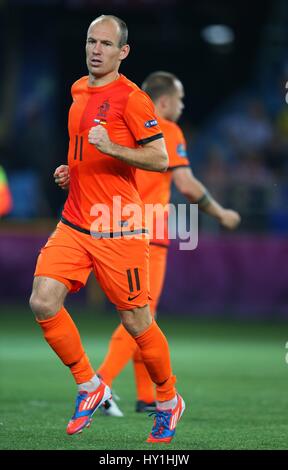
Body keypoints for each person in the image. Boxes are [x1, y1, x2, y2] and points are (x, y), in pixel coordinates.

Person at [30, 16, 185, 444]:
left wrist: (111, 148)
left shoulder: (133, 100)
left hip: (119, 228)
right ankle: (89, 384)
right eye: (90, 41)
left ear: (123, 52)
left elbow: (159, 159)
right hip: (75, 221)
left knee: (137, 322)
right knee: (43, 301)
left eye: (106, 44)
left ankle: (169, 400)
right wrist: (71, 170)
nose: (96, 49)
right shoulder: (79, 89)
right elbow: (84, 146)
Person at [55, 71, 241, 416]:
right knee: (141, 316)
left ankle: (146, 397)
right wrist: (221, 213)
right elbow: (185, 182)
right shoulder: (166, 131)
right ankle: (102, 384)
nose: (182, 106)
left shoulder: (118, 123)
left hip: (99, 223)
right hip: (144, 233)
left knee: (141, 317)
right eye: (180, 99)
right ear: (166, 101)